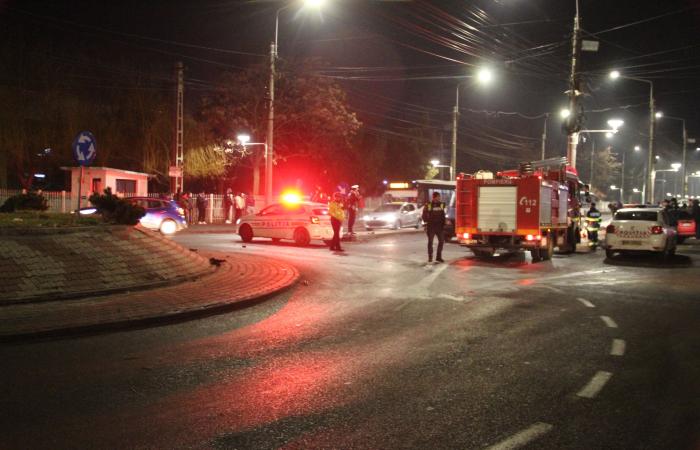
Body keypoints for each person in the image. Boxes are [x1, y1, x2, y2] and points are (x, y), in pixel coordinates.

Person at [422, 191, 446, 263]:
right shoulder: (429, 205)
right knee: (430, 242)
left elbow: (443, 214)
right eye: (438, 197)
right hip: (431, 226)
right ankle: (430, 257)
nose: (439, 198)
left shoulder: (441, 204)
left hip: (439, 227)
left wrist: (444, 224)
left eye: (439, 197)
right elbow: (424, 214)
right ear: (434, 197)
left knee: (441, 241)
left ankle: (438, 257)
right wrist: (426, 223)